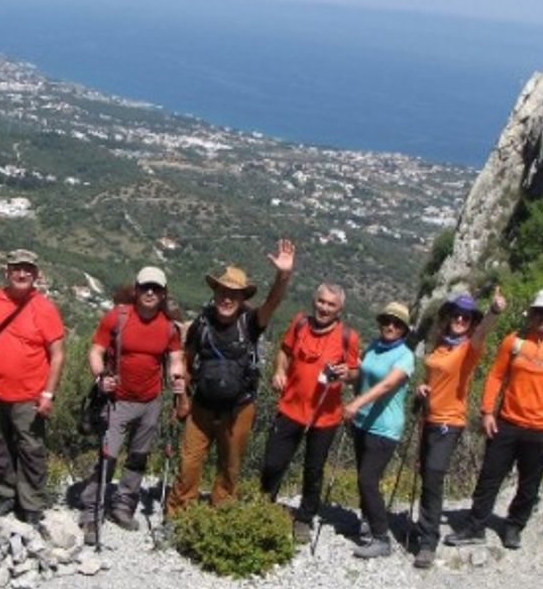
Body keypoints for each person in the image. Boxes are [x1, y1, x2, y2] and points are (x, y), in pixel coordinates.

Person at [165, 239, 295, 515]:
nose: (227, 298)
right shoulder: (202, 322)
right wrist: (181, 398)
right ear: (215, 293)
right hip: (201, 406)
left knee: (230, 467)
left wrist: (283, 275)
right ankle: (178, 513)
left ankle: (221, 514)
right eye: (223, 292)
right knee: (189, 463)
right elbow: (187, 361)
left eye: (234, 294)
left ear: (242, 298)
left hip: (239, 408)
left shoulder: (250, 323)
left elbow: (273, 302)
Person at [448, 289, 543, 550]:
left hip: (542, 430)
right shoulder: (514, 342)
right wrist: (487, 412)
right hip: (507, 422)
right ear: (532, 315)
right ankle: (475, 527)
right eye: (540, 312)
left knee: (529, 485)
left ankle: (514, 527)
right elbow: (496, 376)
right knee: (489, 478)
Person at [77, 267, 185, 545]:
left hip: (150, 401)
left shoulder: (168, 327)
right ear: (136, 290)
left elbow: (175, 358)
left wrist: (177, 376)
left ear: (163, 294)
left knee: (138, 457)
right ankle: (91, 512)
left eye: (156, 289)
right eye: (146, 287)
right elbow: (96, 351)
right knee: (107, 455)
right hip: (117, 400)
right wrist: (101, 378)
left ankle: (123, 506)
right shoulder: (118, 317)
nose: (151, 293)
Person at [411, 287, 506, 568]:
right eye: (457, 315)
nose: (461, 320)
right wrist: (422, 388)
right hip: (429, 419)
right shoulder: (439, 346)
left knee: (434, 473)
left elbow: (482, 333)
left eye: (466, 317)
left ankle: (428, 542)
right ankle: (424, 528)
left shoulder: (468, 348)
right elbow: (432, 378)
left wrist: (494, 312)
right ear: (449, 317)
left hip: (449, 423)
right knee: (426, 474)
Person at [259, 283, 360, 544]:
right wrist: (279, 371)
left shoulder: (349, 336)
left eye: (331, 305)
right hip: (290, 407)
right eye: (321, 302)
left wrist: (346, 374)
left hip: (324, 417)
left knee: (313, 470)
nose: (324, 308)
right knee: (273, 462)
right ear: (314, 300)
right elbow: (284, 351)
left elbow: (354, 373)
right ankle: (264, 506)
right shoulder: (300, 323)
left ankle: (304, 519)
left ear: (340, 309)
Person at [0, 249, 65, 523]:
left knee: (31, 449)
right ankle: (5, 495)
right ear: (7, 272)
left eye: (28, 269)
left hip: (29, 395)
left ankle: (32, 504)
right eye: (17, 268)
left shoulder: (44, 308)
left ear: (36, 275)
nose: (22, 274)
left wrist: (48, 393)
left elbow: (58, 353)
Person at [343, 302, 416, 558]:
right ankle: (367, 521)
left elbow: (387, 385)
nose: (390, 326)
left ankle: (381, 537)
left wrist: (356, 403)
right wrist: (346, 376)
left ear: (404, 330)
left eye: (397, 324)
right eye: (387, 321)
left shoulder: (406, 356)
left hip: (385, 428)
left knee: (368, 480)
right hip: (362, 422)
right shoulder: (374, 347)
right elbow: (362, 377)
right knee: (364, 478)